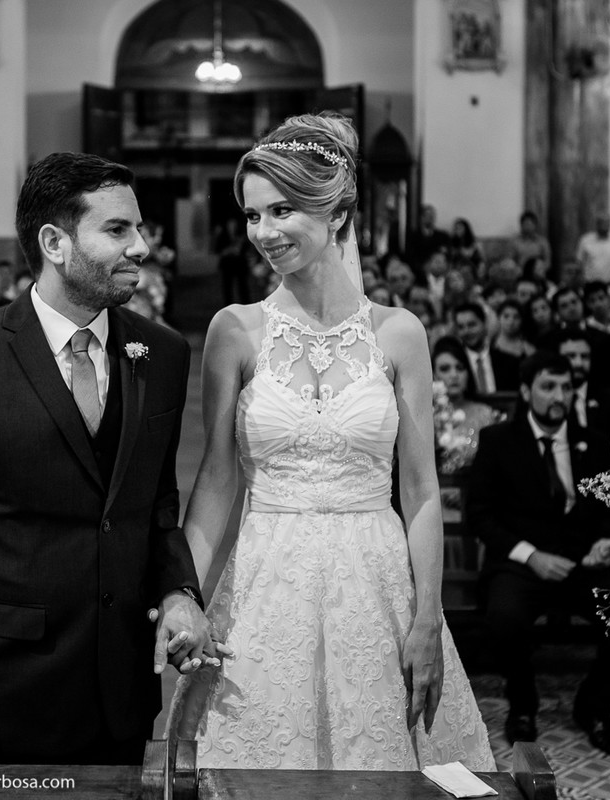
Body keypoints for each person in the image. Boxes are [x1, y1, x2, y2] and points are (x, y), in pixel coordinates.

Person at [167, 112, 493, 770]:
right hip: (265, 578)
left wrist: (428, 617)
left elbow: (422, 490)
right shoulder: (235, 330)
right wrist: (188, 599)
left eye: (282, 210)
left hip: (374, 578)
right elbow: (215, 482)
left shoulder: (400, 334)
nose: (263, 232)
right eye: (253, 215)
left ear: (337, 213)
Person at [0, 151, 212, 766]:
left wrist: (179, 589)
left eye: (139, 228)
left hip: (122, 685)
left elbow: (155, 506)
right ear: (55, 242)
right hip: (12, 688)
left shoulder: (165, 353)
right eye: (118, 230)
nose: (143, 247)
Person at [466, 351, 610, 754]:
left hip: (579, 563)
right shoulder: (498, 441)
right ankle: (523, 705)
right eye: (549, 387)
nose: (559, 396)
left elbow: (607, 505)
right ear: (527, 390)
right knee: (504, 617)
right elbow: (479, 514)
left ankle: (593, 707)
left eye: (566, 387)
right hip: (521, 563)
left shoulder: (594, 442)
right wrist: (530, 555)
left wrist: (604, 545)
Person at [431, 336, 504, 475]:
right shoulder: (427, 415)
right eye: (445, 369)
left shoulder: (485, 414)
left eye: (460, 368)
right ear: (433, 375)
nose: (454, 375)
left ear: (468, 373)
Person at [575, 212, 610, 284]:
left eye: (607, 223)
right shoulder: (585, 240)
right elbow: (579, 262)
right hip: (590, 284)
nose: (604, 226)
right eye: (601, 223)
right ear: (597, 224)